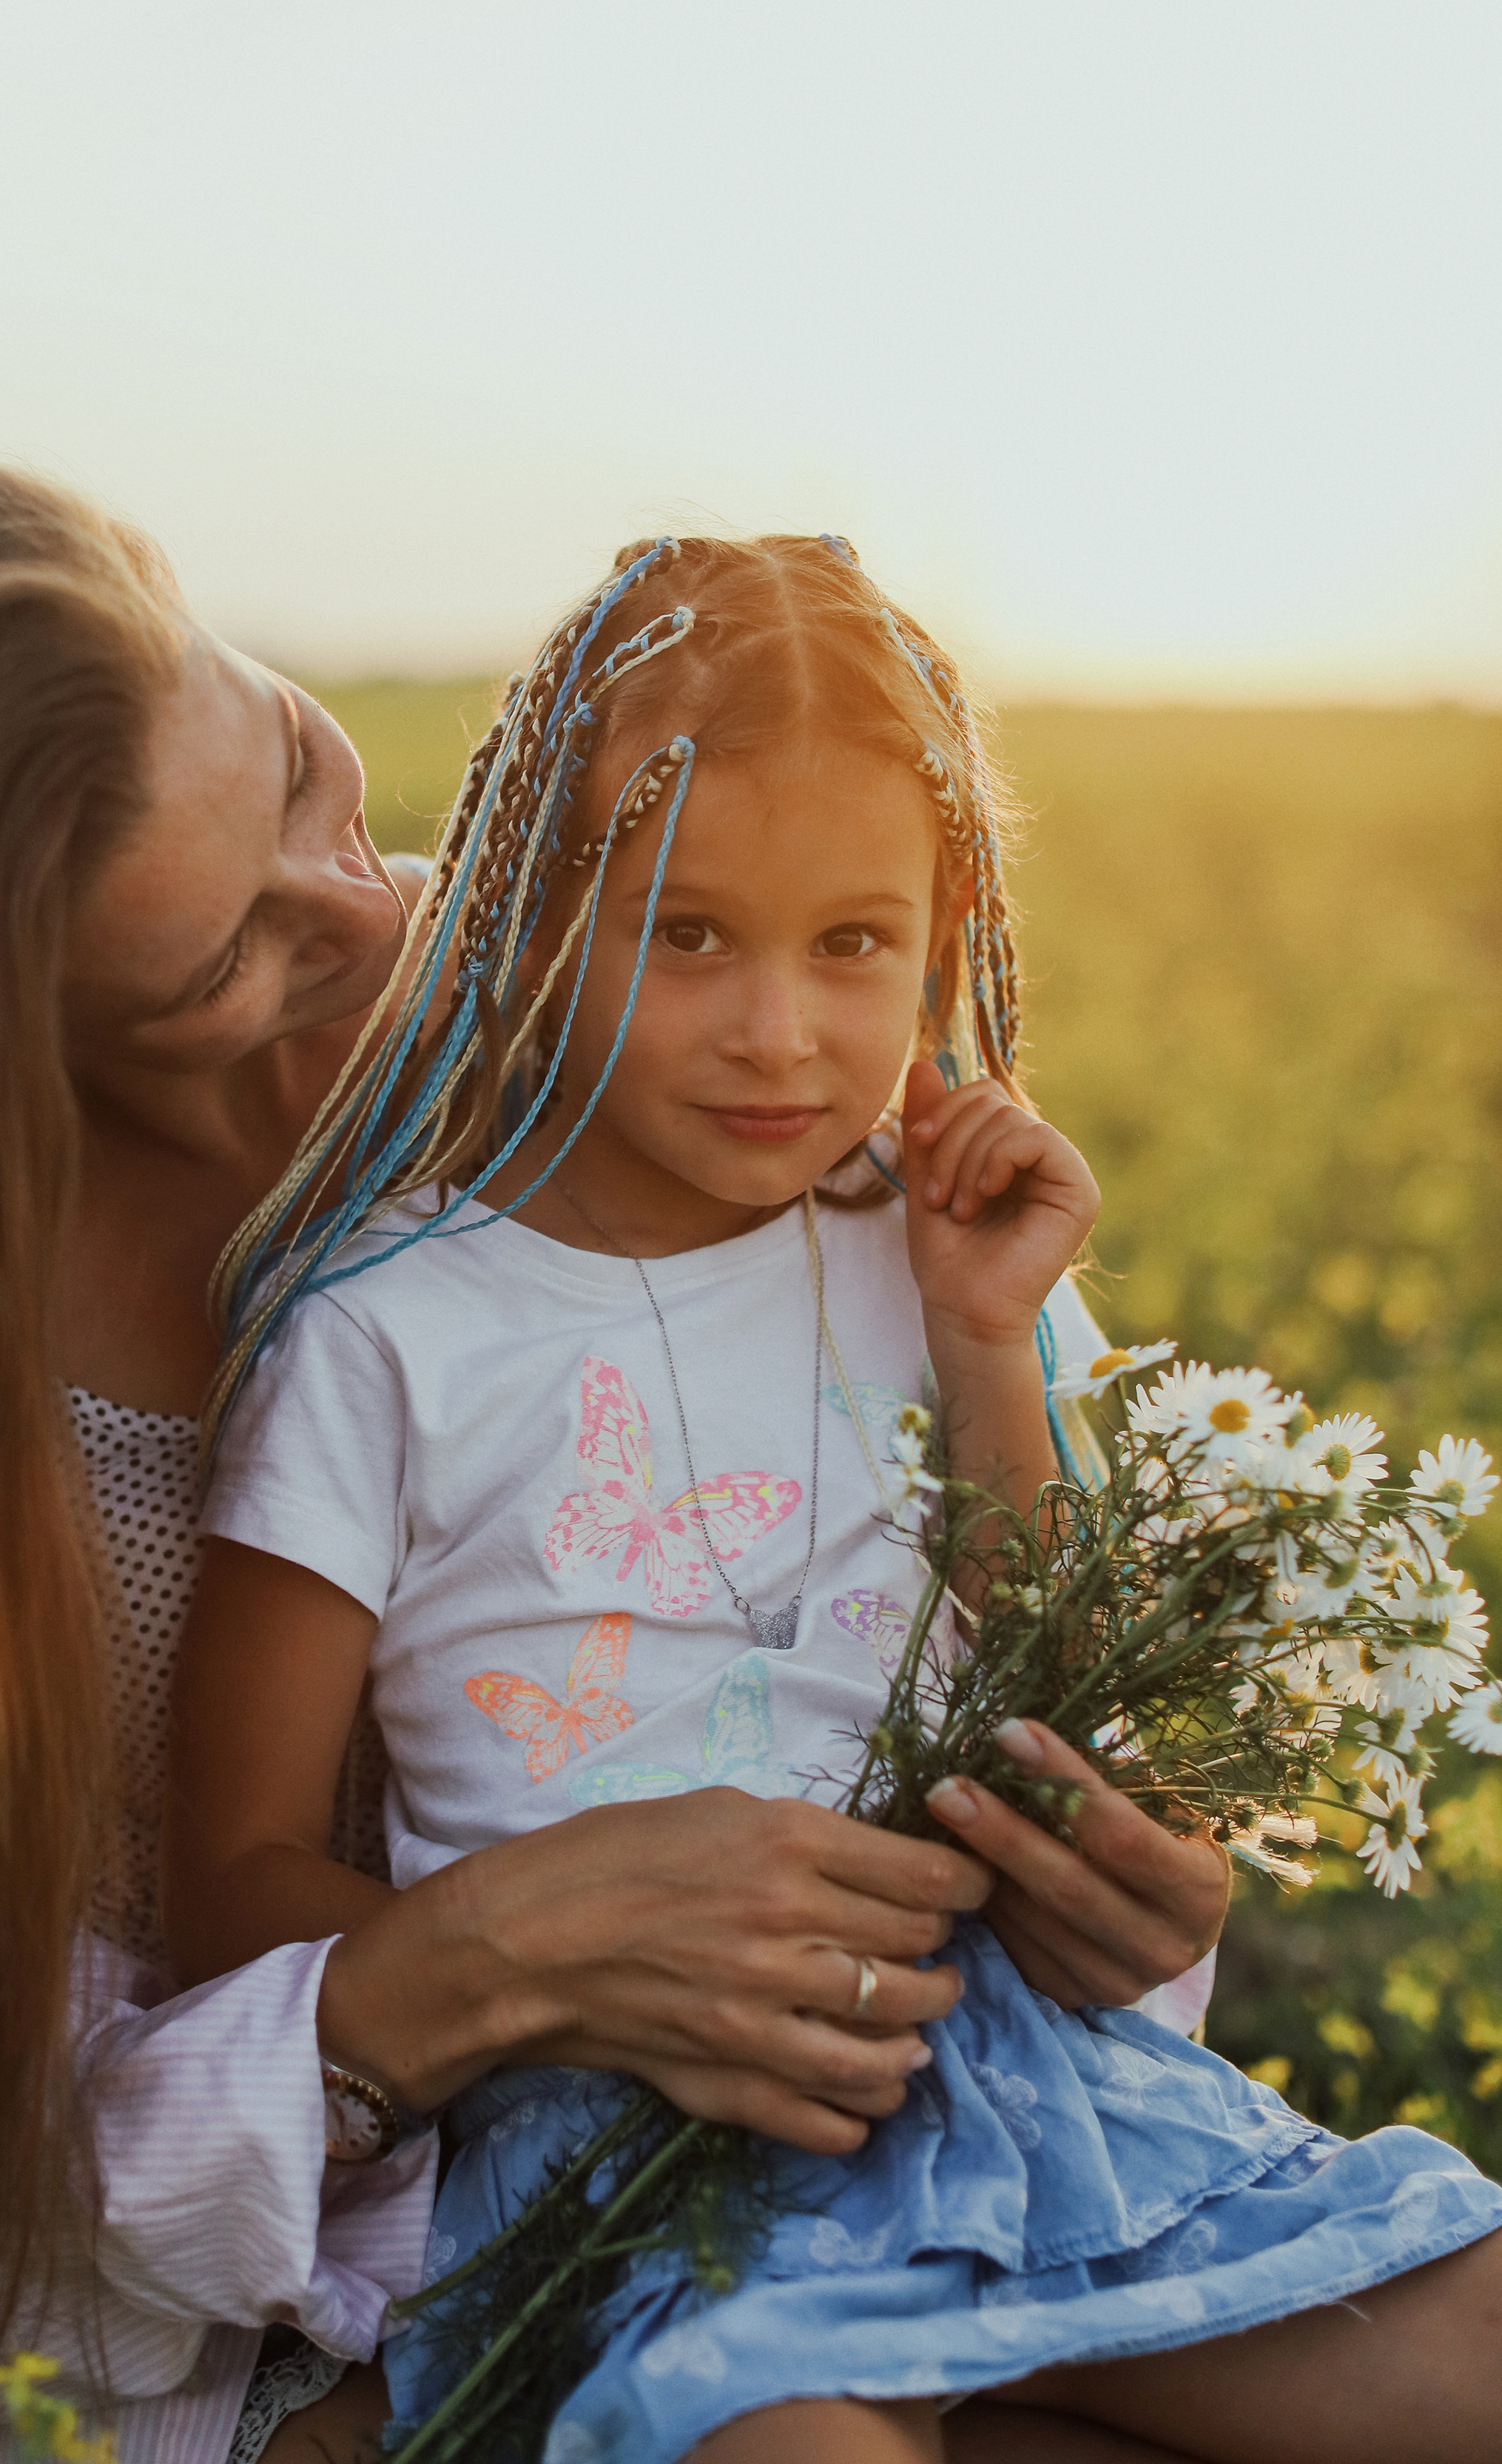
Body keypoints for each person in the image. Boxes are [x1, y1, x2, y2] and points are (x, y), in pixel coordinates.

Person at [0, 472, 1225, 2464]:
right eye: (223, 967)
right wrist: (451, 1977)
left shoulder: (655, 1062)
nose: (375, 904)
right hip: (239, 2363)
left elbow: (898, 1652)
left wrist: (1125, 1904)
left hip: (822, 2190)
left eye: (300, 767)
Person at [176, 533, 1502, 2464]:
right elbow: (231, 1889)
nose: (781, 1032)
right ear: (542, 915)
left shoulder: (925, 1257)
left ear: (948, 934)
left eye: (854, 944)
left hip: (1023, 2080)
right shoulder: (387, 1328)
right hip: (637, 2137)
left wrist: (987, 1343)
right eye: (689, 935)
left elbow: (1067, 1712)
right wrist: (556, 1955)